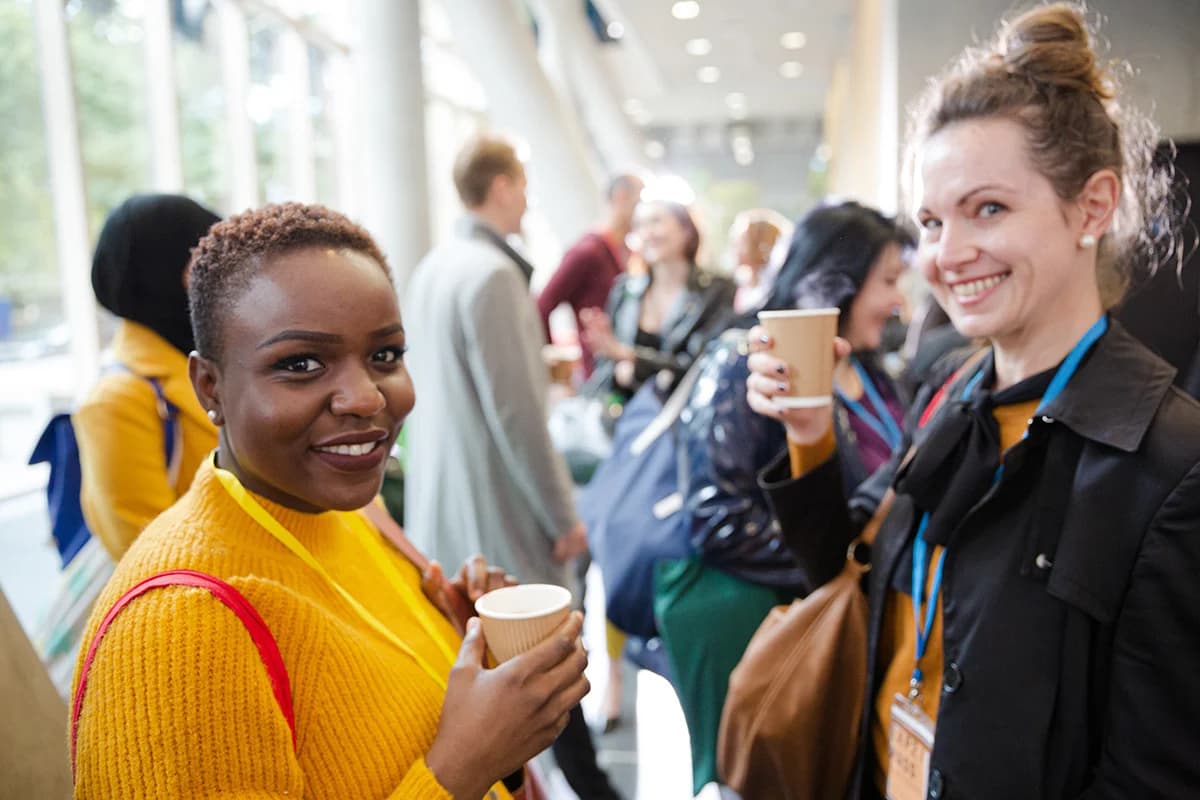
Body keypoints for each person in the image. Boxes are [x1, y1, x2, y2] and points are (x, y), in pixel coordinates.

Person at [746, 5, 1200, 798]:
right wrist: (810, 432)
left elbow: (1153, 775)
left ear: (1093, 207)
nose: (947, 255)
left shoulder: (1169, 463)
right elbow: (841, 569)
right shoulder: (949, 391)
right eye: (930, 221)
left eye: (988, 208)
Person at [71, 202, 589, 799]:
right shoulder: (177, 631)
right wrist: (462, 767)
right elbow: (448, 763)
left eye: (385, 355)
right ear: (209, 386)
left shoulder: (351, 513)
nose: (366, 398)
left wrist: (469, 654)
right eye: (301, 363)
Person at [655, 201, 912, 796]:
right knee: (752, 771)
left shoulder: (873, 372)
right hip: (752, 616)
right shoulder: (747, 360)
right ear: (841, 280)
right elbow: (717, 517)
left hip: (835, 615)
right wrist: (840, 566)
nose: (899, 300)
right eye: (888, 281)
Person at [78, 194, 221, 560]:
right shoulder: (117, 401)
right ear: (164, 273)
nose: (223, 278)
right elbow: (151, 557)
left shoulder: (216, 359)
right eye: (204, 261)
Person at [580, 200, 735, 400]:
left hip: (688, 409)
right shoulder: (625, 290)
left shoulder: (716, 290)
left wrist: (631, 358)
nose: (647, 233)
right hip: (628, 412)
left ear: (686, 230)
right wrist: (613, 363)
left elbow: (703, 363)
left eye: (656, 221)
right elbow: (606, 365)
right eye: (639, 225)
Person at [537, 173, 644, 377]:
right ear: (621, 197)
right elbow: (543, 305)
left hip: (630, 371)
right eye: (639, 202)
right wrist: (554, 370)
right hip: (600, 376)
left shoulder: (632, 253)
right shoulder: (588, 251)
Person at [729, 208, 791, 315]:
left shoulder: (774, 289)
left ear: (759, 245)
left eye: (741, 241)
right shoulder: (741, 287)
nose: (735, 248)